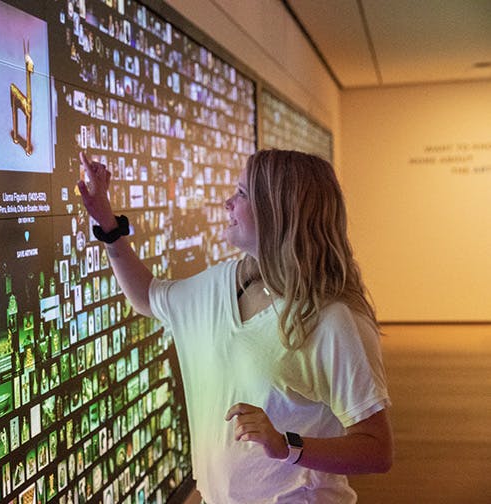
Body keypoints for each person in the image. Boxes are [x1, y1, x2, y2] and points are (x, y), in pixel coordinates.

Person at [77, 149, 392, 503]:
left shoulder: (331, 319)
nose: (228, 203)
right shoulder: (226, 283)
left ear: (278, 211)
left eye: (242, 193)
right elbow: (149, 298)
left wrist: (286, 446)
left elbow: (376, 450)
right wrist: (108, 228)